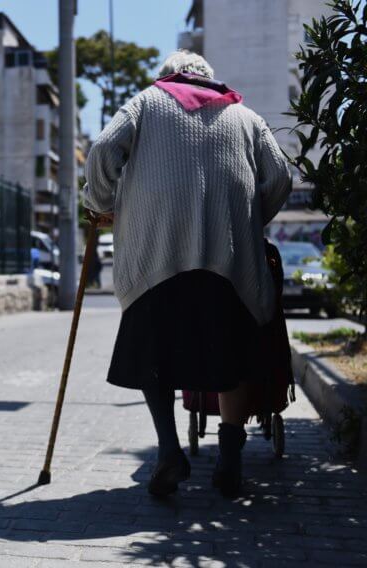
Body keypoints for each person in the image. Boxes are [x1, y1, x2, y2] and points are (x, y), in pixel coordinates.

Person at [82, 50, 291, 498]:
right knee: (234, 362)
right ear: (209, 80)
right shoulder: (245, 115)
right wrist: (250, 220)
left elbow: (102, 148)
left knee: (153, 359)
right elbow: (280, 178)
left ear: (167, 77)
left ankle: (169, 452)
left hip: (156, 259)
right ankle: (230, 460)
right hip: (231, 262)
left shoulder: (144, 103)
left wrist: (100, 203)